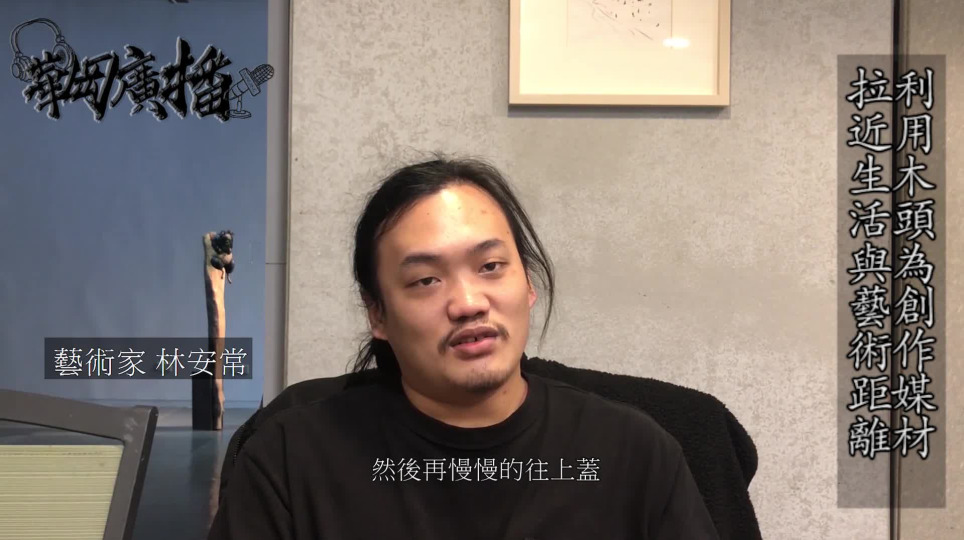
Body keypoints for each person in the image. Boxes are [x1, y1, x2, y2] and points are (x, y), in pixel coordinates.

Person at [208, 157, 720, 540]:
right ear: (377, 314)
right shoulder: (291, 460)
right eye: (426, 280)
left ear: (529, 283)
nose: (469, 303)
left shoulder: (633, 453)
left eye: (491, 267)